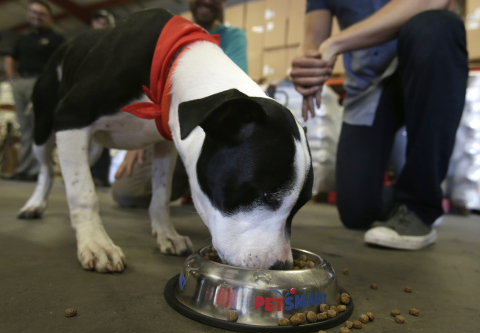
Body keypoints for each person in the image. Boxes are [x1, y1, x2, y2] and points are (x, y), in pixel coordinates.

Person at [291, 0, 468, 250]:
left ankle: (420, 205)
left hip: (422, 66)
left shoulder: (340, 43)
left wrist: (335, 43)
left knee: (436, 26)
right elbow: (313, 38)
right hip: (369, 86)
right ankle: (401, 198)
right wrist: (308, 60)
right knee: (357, 212)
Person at [112, 0, 248, 207]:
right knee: (126, 194)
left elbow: (235, 91)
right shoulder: (171, 35)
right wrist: (139, 135)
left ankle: (197, 179)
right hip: (169, 128)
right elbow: (153, 88)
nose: (207, 1)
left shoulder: (233, 37)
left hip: (209, 132)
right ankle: (190, 183)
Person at [4, 0, 65, 181]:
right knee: (24, 128)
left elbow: (62, 63)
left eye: (41, 13)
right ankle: (24, 168)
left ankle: (39, 170)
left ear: (50, 18)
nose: (36, 16)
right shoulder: (22, 39)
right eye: (33, 12)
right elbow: (11, 58)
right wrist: (12, 79)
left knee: (40, 127)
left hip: (42, 84)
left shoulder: (56, 39)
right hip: (22, 83)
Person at [89, 10, 116, 187]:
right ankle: (86, 174)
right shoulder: (87, 45)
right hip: (89, 97)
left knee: (104, 136)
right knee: (86, 136)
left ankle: (100, 175)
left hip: (108, 96)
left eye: (105, 21)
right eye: (98, 21)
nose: (102, 24)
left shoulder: (116, 45)